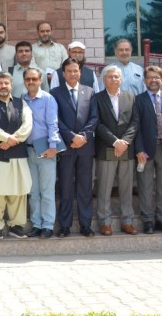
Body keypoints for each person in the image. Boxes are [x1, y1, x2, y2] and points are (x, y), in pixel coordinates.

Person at [0, 71, 33, 240]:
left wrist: (11, 141)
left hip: (17, 153)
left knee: (18, 192)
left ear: (11, 85)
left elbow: (27, 124)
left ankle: (16, 225)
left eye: (6, 83)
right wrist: (8, 138)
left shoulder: (21, 103)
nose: (3, 86)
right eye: (0, 83)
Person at [52, 58, 99, 238]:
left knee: (85, 188)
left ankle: (86, 225)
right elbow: (55, 119)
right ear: (63, 74)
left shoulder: (90, 91)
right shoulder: (55, 93)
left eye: (75, 71)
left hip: (85, 147)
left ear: (80, 72)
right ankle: (65, 225)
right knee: (65, 187)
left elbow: (94, 117)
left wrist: (83, 136)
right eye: (69, 71)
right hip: (66, 146)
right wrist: (71, 136)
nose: (73, 74)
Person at [133, 65, 162, 234]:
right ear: (145, 80)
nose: (153, 80)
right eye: (150, 78)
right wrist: (139, 149)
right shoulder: (138, 100)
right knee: (145, 185)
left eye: (156, 77)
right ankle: (147, 220)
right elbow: (136, 127)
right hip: (145, 150)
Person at [94, 66, 138, 236]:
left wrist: (124, 141)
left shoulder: (131, 97)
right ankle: (105, 222)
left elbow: (135, 121)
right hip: (106, 148)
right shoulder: (97, 98)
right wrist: (114, 141)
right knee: (104, 187)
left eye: (116, 76)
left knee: (126, 187)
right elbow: (97, 123)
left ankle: (127, 221)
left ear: (121, 79)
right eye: (110, 76)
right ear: (104, 79)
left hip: (127, 148)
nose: (113, 79)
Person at [22, 68, 61, 239]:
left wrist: (53, 146)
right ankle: (36, 224)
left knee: (47, 191)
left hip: (46, 150)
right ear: (24, 81)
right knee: (34, 191)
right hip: (28, 150)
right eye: (28, 79)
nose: (31, 82)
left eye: (34, 79)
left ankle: (48, 225)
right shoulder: (22, 100)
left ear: (40, 80)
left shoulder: (47, 99)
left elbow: (53, 123)